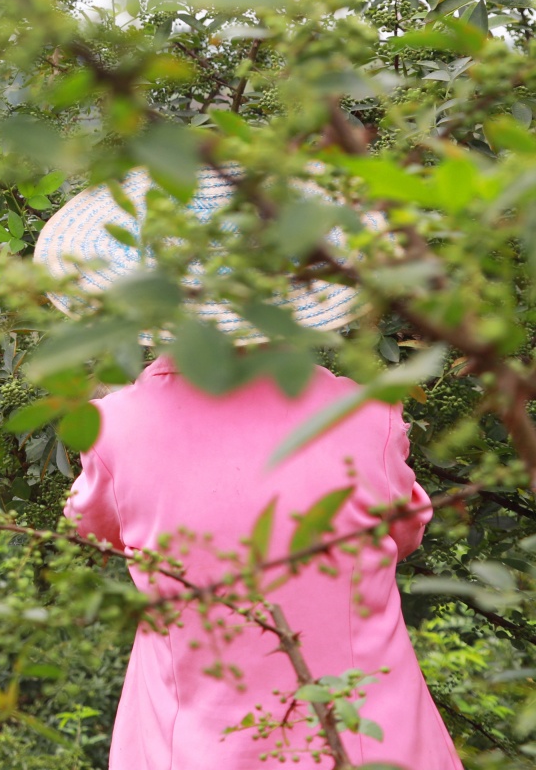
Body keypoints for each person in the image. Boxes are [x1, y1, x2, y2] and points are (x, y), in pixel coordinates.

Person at [36, 168, 460, 769]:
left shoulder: (111, 429)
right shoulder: (369, 416)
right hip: (369, 737)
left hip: (191, 743)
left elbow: (103, 530)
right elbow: (402, 532)